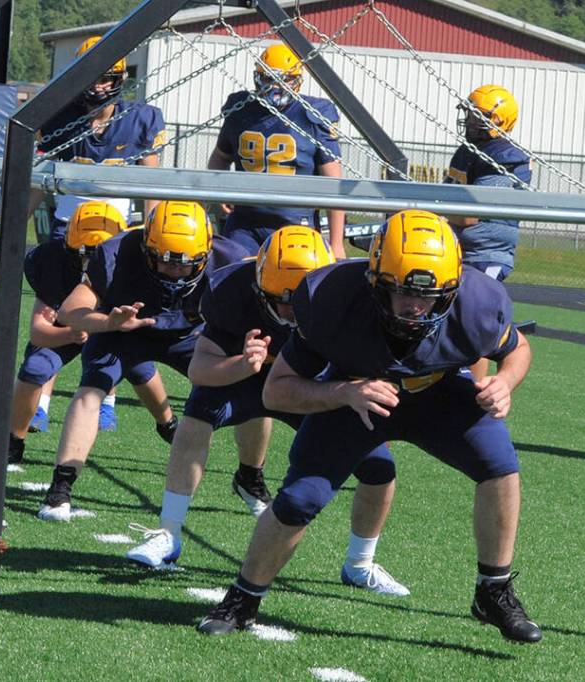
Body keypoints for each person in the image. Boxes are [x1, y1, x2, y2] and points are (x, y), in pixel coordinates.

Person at [197, 210, 541, 643]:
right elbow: (276, 392)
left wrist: (505, 382)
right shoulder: (333, 299)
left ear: (453, 288)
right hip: (354, 398)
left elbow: (518, 348)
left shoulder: (477, 304)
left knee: (500, 464)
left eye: (430, 295)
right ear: (375, 280)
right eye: (401, 293)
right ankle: (243, 598)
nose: (416, 307)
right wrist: (342, 392)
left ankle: (493, 589)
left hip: (437, 395)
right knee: (300, 499)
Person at [125, 225, 408, 596]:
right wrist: (242, 364)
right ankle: (169, 533)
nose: (291, 312)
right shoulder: (230, 290)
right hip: (250, 379)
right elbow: (200, 369)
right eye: (280, 301)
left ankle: (360, 564)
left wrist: (350, 389)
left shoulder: (350, 295)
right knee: (196, 415)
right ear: (258, 285)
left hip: (315, 386)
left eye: (300, 300)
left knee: (379, 467)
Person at [37, 200, 249, 521]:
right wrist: (109, 323)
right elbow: (70, 311)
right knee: (90, 390)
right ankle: (60, 488)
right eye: (164, 262)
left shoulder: (231, 260)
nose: (176, 271)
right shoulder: (116, 253)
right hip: (125, 330)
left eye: (186, 264)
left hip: (191, 335)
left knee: (249, 384)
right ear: (147, 246)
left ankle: (251, 475)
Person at [33, 35, 169, 429]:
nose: (96, 85)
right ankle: (41, 400)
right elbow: (38, 179)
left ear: (120, 78)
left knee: (110, 314)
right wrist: (8, 228)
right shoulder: (58, 116)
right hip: (66, 229)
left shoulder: (139, 118)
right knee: (55, 312)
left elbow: (151, 184)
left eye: (105, 77)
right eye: (90, 76)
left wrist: (151, 232)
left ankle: (107, 395)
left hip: (116, 234)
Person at [7, 201, 171, 464]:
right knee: (35, 367)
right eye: (85, 255)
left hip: (115, 329)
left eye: (100, 255)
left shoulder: (135, 263)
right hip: (71, 328)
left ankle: (168, 423)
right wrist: (69, 335)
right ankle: (13, 440)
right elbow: (39, 333)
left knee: (140, 367)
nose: (91, 264)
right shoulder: (53, 264)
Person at [208, 43, 346, 259]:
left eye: (286, 79)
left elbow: (334, 183)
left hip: (295, 221)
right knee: (231, 271)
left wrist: (337, 242)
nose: (276, 87)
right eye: (269, 78)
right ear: (258, 77)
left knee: (292, 277)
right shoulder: (241, 109)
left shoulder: (313, 115)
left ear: (298, 80)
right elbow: (220, 156)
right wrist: (220, 189)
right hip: (246, 221)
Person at [444, 85, 531, 380]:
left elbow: (468, 215)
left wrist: (432, 214)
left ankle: (473, 388)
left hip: (486, 253)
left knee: (473, 319)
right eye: (469, 114)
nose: (470, 121)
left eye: (479, 116)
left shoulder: (504, 157)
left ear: (500, 120)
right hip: (459, 250)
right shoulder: (470, 151)